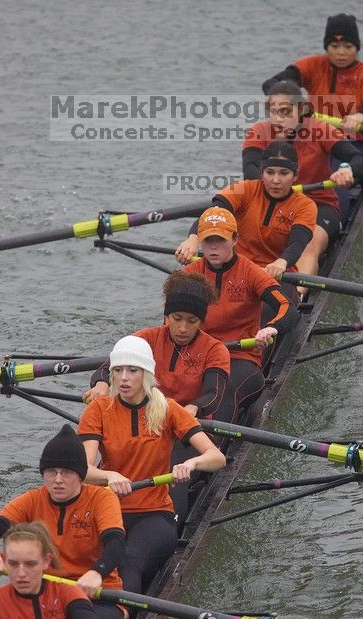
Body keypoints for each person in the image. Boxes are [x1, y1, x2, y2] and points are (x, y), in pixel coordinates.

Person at [78, 335, 225, 595]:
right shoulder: (99, 409)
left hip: (154, 513)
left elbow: (216, 457)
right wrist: (109, 475)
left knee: (129, 560)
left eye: (132, 370)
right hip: (108, 508)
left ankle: (123, 618)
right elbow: (83, 471)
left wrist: (191, 463)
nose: (123, 378)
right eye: (118, 370)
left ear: (146, 374)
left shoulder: (167, 409)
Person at [0, 424, 127, 619]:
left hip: (97, 596)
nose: (58, 480)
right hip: (46, 598)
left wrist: (96, 572)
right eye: (51, 472)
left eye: (67, 472)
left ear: (81, 475)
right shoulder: (32, 500)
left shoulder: (101, 498)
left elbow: (115, 544)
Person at [242, 83, 363, 279]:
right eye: (274, 112)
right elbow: (250, 169)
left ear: (301, 110)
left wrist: (347, 169)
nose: (278, 119)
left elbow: (361, 159)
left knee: (308, 244)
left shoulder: (320, 129)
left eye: (285, 112)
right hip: (274, 204)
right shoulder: (259, 131)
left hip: (319, 204)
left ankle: (299, 299)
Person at [182, 206, 299, 423]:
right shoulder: (189, 275)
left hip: (241, 355)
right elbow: (167, 325)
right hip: (199, 355)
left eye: (221, 240)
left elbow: (287, 308)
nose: (214, 247)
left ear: (235, 239)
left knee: (223, 390)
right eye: (208, 240)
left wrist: (271, 327)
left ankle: (216, 451)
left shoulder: (250, 271)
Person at [84, 271, 230, 419]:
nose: (183, 328)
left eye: (192, 321)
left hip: (188, 423)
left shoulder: (215, 350)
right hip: (146, 417)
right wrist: (101, 384)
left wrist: (194, 407)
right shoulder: (145, 339)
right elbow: (104, 371)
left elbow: (213, 395)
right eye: (177, 318)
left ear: (201, 321)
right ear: (166, 316)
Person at [176, 141, 317, 284]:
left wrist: (282, 261)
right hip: (233, 268)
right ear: (261, 173)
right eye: (270, 172)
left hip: (274, 274)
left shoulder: (306, 205)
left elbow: (297, 243)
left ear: (295, 175)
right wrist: (193, 240)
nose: (275, 180)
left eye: (284, 173)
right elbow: (212, 214)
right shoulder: (242, 189)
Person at [262, 13, 363, 154]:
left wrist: (360, 116)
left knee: (351, 168)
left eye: (348, 46)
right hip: (313, 137)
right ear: (326, 47)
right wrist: (294, 102)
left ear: (357, 48)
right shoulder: (313, 65)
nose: (341, 52)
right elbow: (271, 84)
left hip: (352, 138)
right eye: (334, 46)